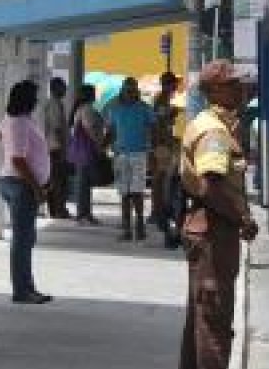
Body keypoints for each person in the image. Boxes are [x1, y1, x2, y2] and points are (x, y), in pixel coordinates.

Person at [174, 59, 258, 369]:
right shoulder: (214, 132)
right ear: (215, 90)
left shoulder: (213, 125)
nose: (242, 90)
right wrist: (241, 218)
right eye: (234, 85)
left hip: (207, 231)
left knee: (200, 319)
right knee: (214, 323)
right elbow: (211, 184)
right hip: (214, 232)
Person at [0, 80, 54, 304]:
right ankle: (22, 290)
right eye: (34, 96)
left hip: (16, 182)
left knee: (26, 238)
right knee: (22, 240)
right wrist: (36, 187)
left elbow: (1, 136)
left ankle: (27, 286)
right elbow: (18, 160)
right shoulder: (19, 123)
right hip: (20, 184)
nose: (36, 100)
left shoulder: (13, 121)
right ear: (25, 99)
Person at [105, 77, 156, 242]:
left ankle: (139, 227)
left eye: (133, 90)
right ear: (123, 90)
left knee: (137, 192)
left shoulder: (145, 109)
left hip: (139, 154)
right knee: (124, 193)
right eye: (127, 90)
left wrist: (154, 150)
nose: (130, 93)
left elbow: (154, 128)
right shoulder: (115, 109)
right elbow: (111, 131)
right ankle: (127, 228)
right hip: (120, 155)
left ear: (137, 91)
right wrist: (103, 146)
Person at [150, 71, 185, 249]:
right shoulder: (161, 100)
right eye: (174, 84)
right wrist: (171, 115)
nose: (176, 87)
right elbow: (159, 124)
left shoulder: (163, 100)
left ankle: (158, 212)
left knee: (163, 180)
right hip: (162, 145)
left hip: (163, 144)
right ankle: (158, 212)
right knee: (161, 180)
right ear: (168, 84)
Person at [69, 84, 104, 225]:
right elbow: (89, 128)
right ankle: (83, 213)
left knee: (83, 182)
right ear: (90, 95)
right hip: (86, 149)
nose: (96, 95)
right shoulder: (87, 109)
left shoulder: (79, 108)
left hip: (80, 150)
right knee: (84, 183)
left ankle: (84, 213)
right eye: (94, 93)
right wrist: (98, 144)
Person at [42, 77, 72, 220]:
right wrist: (61, 149)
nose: (65, 89)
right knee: (58, 180)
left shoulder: (56, 104)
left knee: (56, 179)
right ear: (55, 88)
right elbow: (57, 128)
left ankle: (56, 209)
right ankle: (58, 210)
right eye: (63, 87)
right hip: (55, 148)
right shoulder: (54, 105)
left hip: (54, 147)